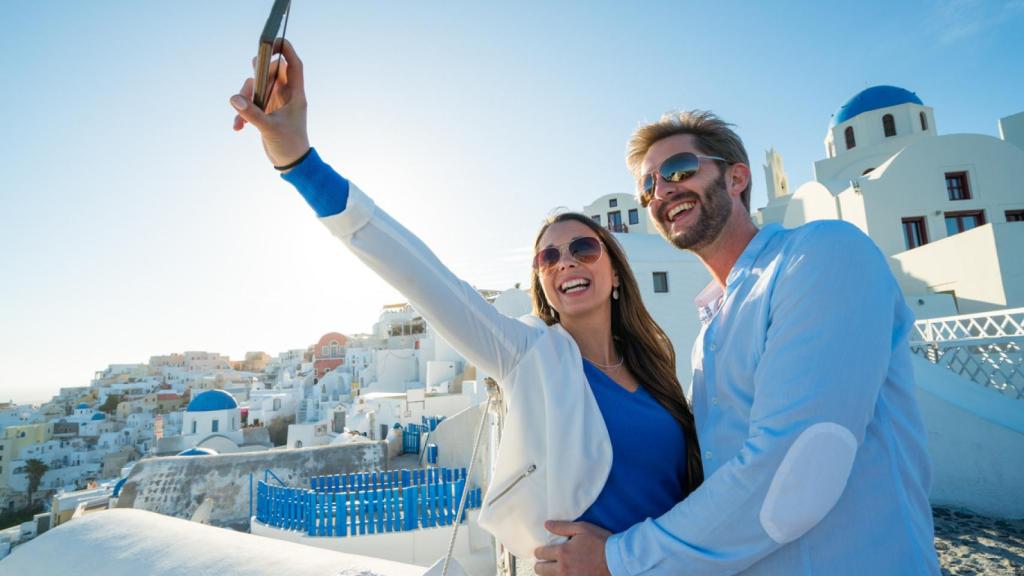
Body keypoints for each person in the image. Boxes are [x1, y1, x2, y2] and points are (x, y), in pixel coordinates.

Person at [228, 41, 703, 563]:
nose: (566, 261)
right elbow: (421, 274)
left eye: (583, 248)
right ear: (542, 285)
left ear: (615, 272)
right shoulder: (530, 357)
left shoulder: (657, 368)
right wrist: (298, 162)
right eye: (548, 257)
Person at [535, 111, 942, 575]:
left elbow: (791, 474)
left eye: (679, 170)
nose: (662, 191)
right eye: (648, 186)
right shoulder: (709, 334)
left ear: (736, 177)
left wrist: (617, 558)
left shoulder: (820, 255)